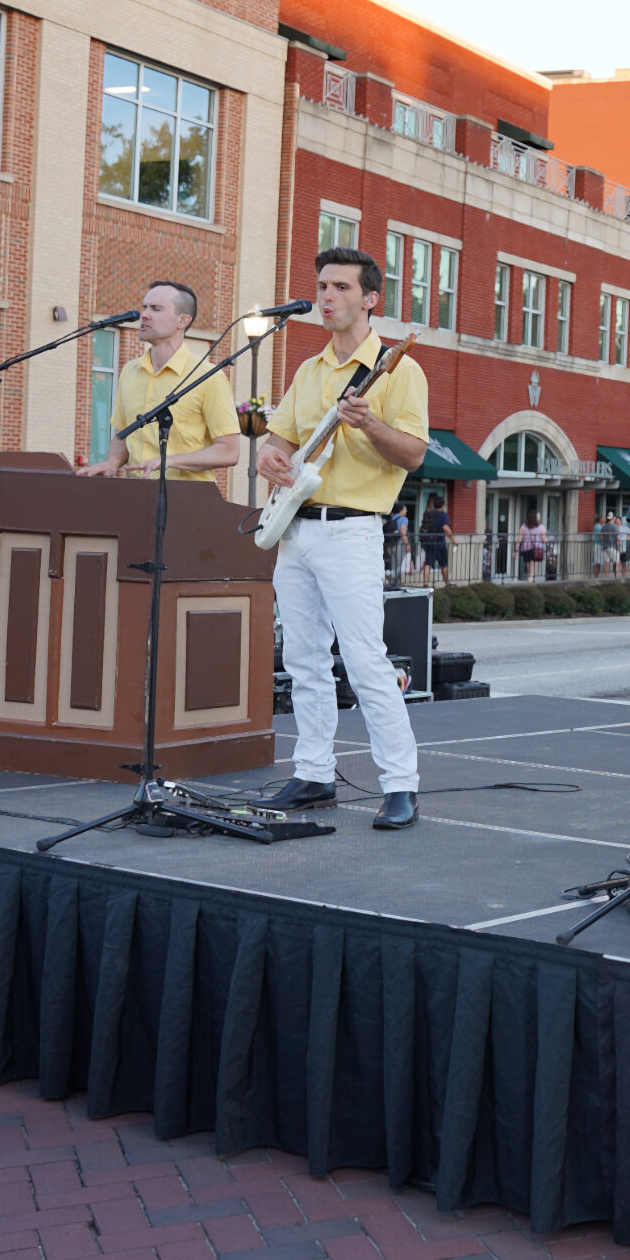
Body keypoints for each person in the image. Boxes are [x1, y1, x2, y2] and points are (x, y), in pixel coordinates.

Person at [254, 245, 431, 831]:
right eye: (323, 286)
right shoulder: (308, 370)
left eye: (341, 288)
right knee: (302, 660)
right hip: (296, 528)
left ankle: (400, 784)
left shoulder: (398, 369)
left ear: (371, 298)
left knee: (364, 659)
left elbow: (414, 454)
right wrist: (269, 459)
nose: (326, 297)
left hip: (352, 530)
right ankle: (313, 774)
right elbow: (278, 440)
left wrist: (369, 422)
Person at [76, 281, 242, 482]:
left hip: (188, 496)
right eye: (144, 307)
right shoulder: (129, 371)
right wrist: (111, 463)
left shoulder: (208, 376)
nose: (144, 315)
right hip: (136, 493)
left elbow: (228, 451)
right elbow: (123, 434)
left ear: (183, 321)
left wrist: (167, 461)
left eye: (156, 309)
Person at [420, 493, 450, 585]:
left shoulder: (428, 514)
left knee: (428, 563)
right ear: (443, 505)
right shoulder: (443, 515)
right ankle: (447, 583)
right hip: (440, 543)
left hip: (430, 542)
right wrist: (453, 539)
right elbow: (445, 527)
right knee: (443, 564)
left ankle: (425, 583)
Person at [518, 512, 550, 581]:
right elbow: (544, 539)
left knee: (528, 563)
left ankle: (530, 576)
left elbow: (519, 539)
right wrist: (547, 540)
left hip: (526, 547)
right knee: (534, 563)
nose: (540, 518)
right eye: (539, 517)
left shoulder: (523, 526)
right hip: (537, 548)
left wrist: (516, 549)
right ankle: (531, 577)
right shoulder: (541, 527)